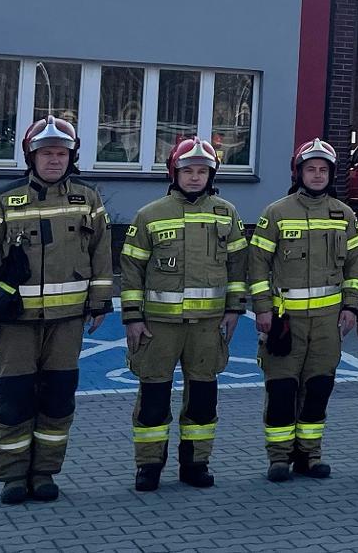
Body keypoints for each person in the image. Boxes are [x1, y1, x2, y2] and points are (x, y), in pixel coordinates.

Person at [0, 117, 112, 504]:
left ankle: (45, 472)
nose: (54, 160)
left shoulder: (89, 199)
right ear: (31, 156)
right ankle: (13, 477)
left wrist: (100, 303)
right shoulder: (4, 199)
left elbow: (101, 252)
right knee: (14, 399)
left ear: (72, 156)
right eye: (46, 153)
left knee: (58, 399)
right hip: (15, 322)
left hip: (66, 323)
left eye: (61, 153)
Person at [120, 136, 247, 491]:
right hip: (158, 328)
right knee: (153, 399)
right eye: (187, 170)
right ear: (173, 173)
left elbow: (239, 267)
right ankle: (148, 467)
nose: (194, 177)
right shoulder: (150, 215)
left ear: (211, 174)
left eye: (202, 171)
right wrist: (133, 317)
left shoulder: (227, 213)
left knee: (203, 399)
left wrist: (235, 310)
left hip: (207, 326)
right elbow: (131, 270)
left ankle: (196, 463)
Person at [249, 138, 358, 481]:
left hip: (328, 323)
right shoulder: (276, 212)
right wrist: (262, 309)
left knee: (318, 389)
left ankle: (310, 456)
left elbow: (355, 267)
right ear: (298, 172)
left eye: (323, 170)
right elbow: (258, 264)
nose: (317, 175)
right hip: (287, 320)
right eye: (311, 169)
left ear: (331, 174)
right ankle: (279, 458)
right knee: (282, 389)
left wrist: (351, 308)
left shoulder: (344, 215)